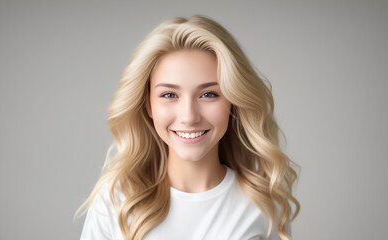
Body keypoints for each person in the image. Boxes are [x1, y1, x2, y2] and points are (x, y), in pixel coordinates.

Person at [75, 15, 300, 240]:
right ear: (149, 105)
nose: (189, 116)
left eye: (209, 94)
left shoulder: (264, 205)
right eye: (169, 95)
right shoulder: (115, 200)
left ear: (233, 102)